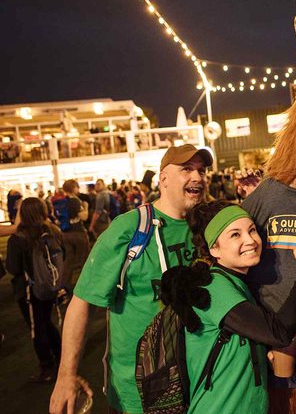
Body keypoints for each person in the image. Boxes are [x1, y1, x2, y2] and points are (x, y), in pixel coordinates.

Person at [49, 144, 213, 414]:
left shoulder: (207, 226)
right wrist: (66, 375)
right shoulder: (129, 228)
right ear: (163, 179)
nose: (197, 176)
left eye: (201, 170)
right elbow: (82, 301)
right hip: (140, 393)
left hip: (200, 383)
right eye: (186, 169)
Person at [172, 200, 296, 414]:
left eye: (251, 230)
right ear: (214, 248)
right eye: (235, 235)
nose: (250, 240)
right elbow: (279, 333)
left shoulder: (237, 284)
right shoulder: (213, 288)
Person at [5, 197, 63, 383]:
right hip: (48, 287)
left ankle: (47, 366)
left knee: (37, 328)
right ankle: (61, 356)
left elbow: (13, 268)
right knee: (46, 322)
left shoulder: (18, 238)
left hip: (29, 291)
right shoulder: (51, 230)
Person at [59, 179, 90, 290]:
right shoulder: (75, 201)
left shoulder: (63, 201)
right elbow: (84, 217)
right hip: (78, 233)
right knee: (84, 259)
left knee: (69, 260)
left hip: (65, 233)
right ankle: (85, 285)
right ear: (73, 188)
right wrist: (86, 207)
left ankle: (64, 284)